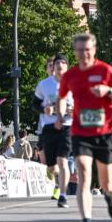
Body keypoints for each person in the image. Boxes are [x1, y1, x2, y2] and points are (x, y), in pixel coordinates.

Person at [57, 33, 112, 222]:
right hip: (81, 132)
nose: (84, 54)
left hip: (106, 132)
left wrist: (108, 90)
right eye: (80, 50)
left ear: (94, 50)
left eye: (87, 50)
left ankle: (111, 196)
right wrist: (60, 115)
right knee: (83, 174)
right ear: (75, 52)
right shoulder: (70, 75)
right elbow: (62, 97)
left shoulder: (105, 70)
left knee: (106, 182)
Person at [34, 53, 73, 208]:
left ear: (67, 67)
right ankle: (57, 179)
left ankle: (63, 195)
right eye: (57, 63)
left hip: (67, 127)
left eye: (63, 63)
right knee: (51, 167)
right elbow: (35, 104)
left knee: (63, 161)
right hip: (48, 128)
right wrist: (44, 109)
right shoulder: (44, 85)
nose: (60, 65)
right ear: (54, 67)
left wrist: (74, 111)